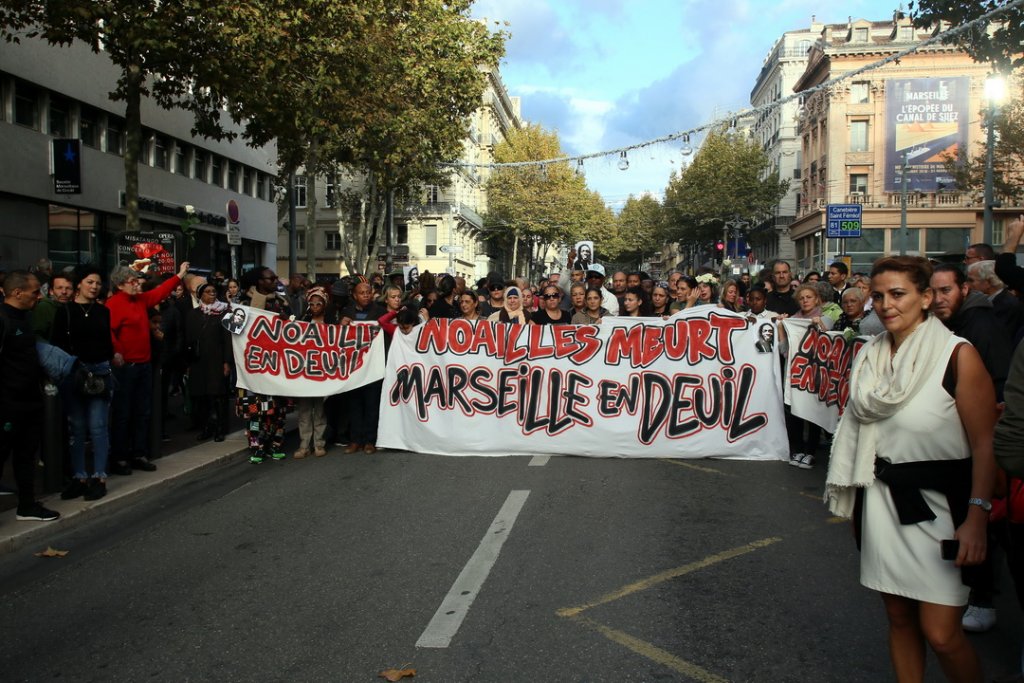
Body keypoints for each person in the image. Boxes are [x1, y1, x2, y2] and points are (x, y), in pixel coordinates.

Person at [825, 256, 996, 683]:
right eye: (878, 296)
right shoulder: (869, 356)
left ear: (925, 297)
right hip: (881, 502)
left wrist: (977, 517)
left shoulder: (958, 356)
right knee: (899, 618)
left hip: (942, 509)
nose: (886, 305)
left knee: (941, 634)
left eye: (898, 294)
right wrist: (858, 507)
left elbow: (984, 443)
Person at [107, 260, 189, 475]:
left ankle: (138, 453)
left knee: (142, 411)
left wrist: (179, 275)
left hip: (143, 364)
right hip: (126, 367)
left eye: (137, 280)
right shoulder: (114, 304)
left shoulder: (140, 300)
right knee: (123, 413)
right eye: (132, 281)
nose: (137, 284)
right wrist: (116, 352)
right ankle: (120, 456)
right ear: (120, 285)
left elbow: (160, 292)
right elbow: (110, 331)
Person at [0, 271, 60, 521]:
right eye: (35, 292)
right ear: (17, 293)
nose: (39, 296)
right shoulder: (3, 319)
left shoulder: (26, 317)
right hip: (6, 403)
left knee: (27, 457)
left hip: (30, 400)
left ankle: (27, 505)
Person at [51, 264, 114, 501]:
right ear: (79, 284)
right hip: (73, 375)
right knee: (76, 429)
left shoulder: (103, 311)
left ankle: (99, 477)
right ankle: (79, 477)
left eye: (97, 283)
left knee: (98, 427)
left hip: (100, 373)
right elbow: (57, 344)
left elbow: (107, 343)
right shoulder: (65, 311)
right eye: (90, 282)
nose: (94, 287)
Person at [236, 266, 292, 464]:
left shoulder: (282, 303)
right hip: (253, 367)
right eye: (271, 278)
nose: (275, 281)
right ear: (259, 281)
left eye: (276, 277)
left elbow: (295, 331)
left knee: (277, 410)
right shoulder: (243, 304)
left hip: (277, 366)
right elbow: (234, 329)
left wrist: (288, 322)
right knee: (255, 411)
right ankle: (257, 447)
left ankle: (275, 445)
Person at [931, 264, 1011, 401]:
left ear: (964, 289)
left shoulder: (983, 326)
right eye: (933, 292)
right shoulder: (948, 321)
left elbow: (999, 380)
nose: (938, 299)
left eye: (946, 290)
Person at [783, 283, 833, 470]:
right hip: (797, 372)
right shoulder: (793, 320)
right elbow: (784, 351)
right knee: (794, 411)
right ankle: (797, 449)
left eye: (809, 297)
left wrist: (820, 325)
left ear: (817, 299)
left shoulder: (825, 318)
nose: (805, 301)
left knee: (813, 412)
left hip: (816, 373)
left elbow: (829, 341)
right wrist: (782, 327)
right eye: (802, 298)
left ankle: (810, 451)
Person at [339, 281, 385, 454]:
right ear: (354, 295)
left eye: (368, 292)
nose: (366, 295)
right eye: (362, 293)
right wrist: (341, 325)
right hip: (354, 367)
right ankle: (355, 440)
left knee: (372, 404)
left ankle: (370, 441)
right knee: (354, 405)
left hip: (374, 366)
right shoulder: (346, 313)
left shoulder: (380, 312)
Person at [184, 283, 233, 443]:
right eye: (207, 292)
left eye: (214, 291)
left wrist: (227, 362)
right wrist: (188, 363)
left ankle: (220, 427)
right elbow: (188, 338)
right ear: (200, 295)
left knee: (217, 395)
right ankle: (207, 427)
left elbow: (228, 339)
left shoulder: (224, 312)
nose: (212, 294)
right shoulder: (193, 314)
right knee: (202, 396)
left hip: (217, 360)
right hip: (198, 361)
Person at [293, 287, 334, 459]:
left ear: (324, 305)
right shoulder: (303, 321)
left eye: (319, 303)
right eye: (312, 303)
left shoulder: (331, 323)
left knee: (319, 409)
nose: (316, 306)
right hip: (304, 372)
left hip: (322, 372)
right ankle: (304, 445)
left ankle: (319, 443)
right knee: (304, 410)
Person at [967, 259, 1024, 343]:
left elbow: (997, 339)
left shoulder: (1008, 306)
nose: (967, 285)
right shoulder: (988, 301)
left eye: (971, 280)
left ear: (988, 282)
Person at [31, 272, 72, 341]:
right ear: (51, 291)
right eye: (59, 288)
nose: (64, 292)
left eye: (68, 288)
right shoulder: (44, 307)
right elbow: (37, 335)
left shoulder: (72, 308)